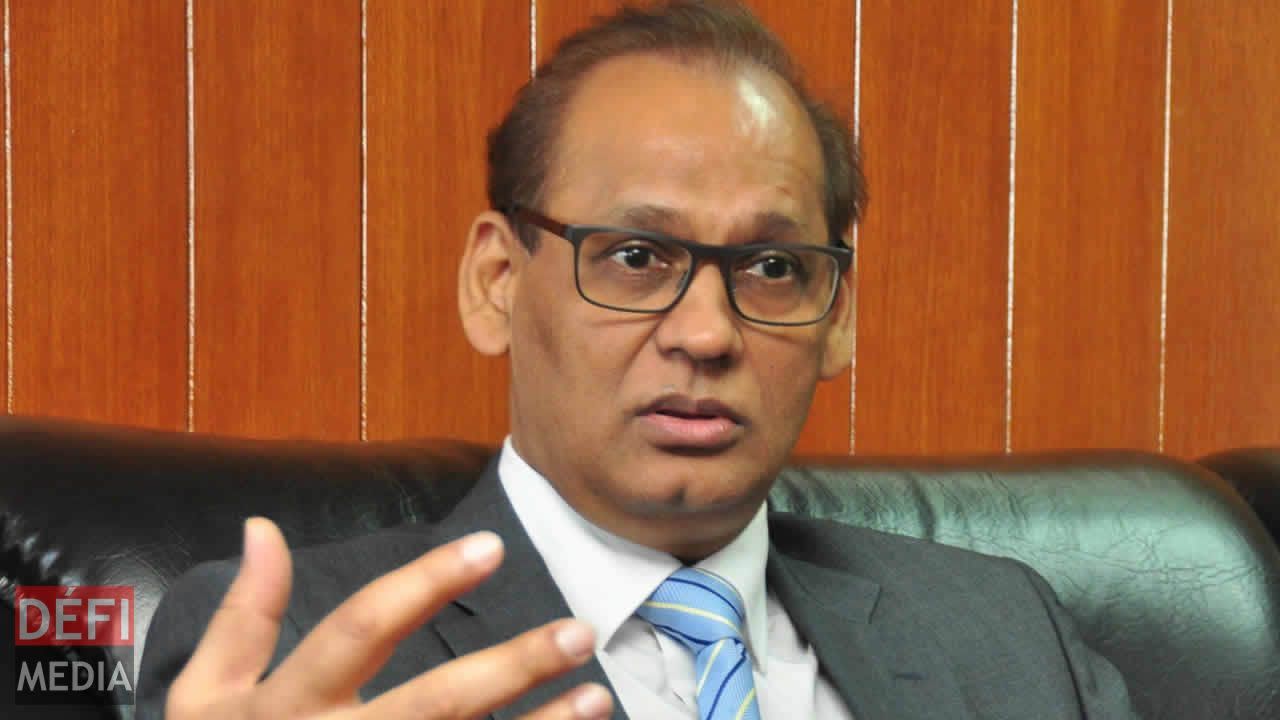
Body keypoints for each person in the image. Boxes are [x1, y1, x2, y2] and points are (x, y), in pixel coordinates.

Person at [138, 2, 1137, 718]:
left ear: (836, 317)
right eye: (634, 256)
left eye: (773, 267)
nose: (705, 334)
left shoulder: (1003, 636)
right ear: (496, 282)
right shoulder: (300, 656)